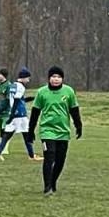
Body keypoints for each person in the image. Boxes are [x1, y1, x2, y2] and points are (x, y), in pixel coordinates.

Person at [27, 66, 81, 195]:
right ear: (49, 78)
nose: (56, 79)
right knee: (49, 156)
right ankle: (47, 187)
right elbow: (35, 112)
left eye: (58, 77)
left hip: (63, 131)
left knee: (60, 159)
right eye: (53, 77)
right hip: (47, 130)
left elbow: (74, 110)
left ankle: (53, 182)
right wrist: (30, 131)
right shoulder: (42, 92)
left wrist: (79, 125)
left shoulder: (68, 92)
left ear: (62, 79)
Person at [0, 68, 35, 161]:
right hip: (20, 115)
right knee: (27, 134)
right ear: (23, 78)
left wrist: (27, 99)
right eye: (27, 78)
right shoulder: (21, 87)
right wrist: (13, 114)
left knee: (6, 135)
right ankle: (32, 156)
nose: (28, 80)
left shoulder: (13, 85)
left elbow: (15, 99)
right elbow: (17, 101)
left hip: (13, 114)